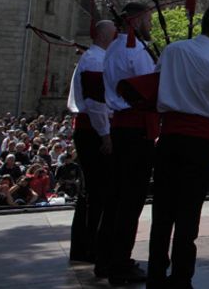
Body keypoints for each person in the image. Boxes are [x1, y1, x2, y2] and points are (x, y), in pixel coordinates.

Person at [147, 2, 209, 288]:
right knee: (188, 211)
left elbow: (156, 82)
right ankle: (182, 276)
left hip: (170, 135)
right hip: (199, 139)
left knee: (162, 210)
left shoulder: (173, 50)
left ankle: (156, 273)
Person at [101, 1, 156, 284]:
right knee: (130, 201)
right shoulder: (134, 51)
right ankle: (119, 263)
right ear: (135, 21)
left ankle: (109, 259)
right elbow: (151, 87)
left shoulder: (113, 48)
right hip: (135, 129)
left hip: (123, 127)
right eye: (147, 20)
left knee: (117, 198)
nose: (151, 25)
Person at [67, 19, 116, 265]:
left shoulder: (93, 58)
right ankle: (91, 247)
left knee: (91, 192)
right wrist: (106, 134)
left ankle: (84, 247)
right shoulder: (96, 60)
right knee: (97, 192)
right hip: (93, 130)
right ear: (105, 36)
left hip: (91, 128)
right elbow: (97, 103)